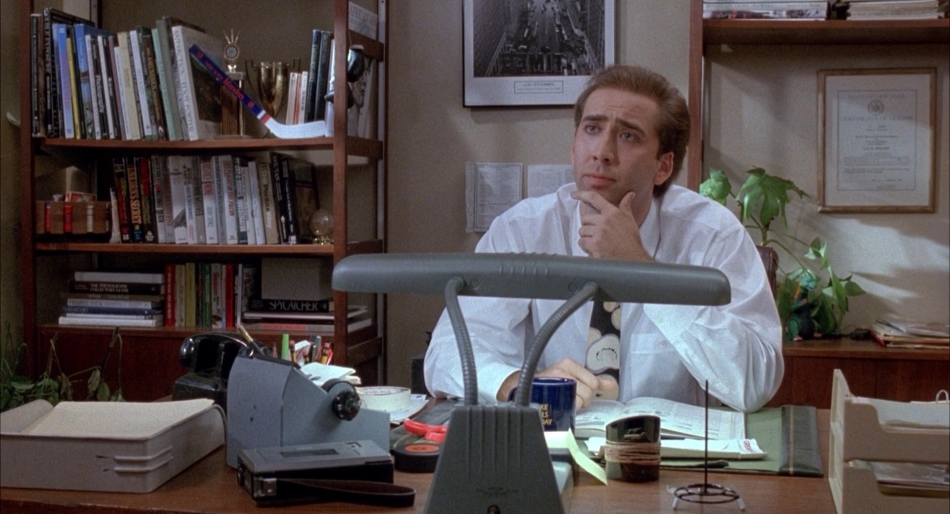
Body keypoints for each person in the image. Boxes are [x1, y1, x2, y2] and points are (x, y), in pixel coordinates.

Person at [424, 65, 783, 413]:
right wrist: (517, 384)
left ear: (663, 166)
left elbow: (755, 382)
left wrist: (641, 269)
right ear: (574, 148)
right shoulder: (522, 230)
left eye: (628, 136)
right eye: (592, 129)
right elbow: (446, 355)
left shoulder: (713, 235)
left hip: (669, 449)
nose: (602, 152)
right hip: (554, 439)